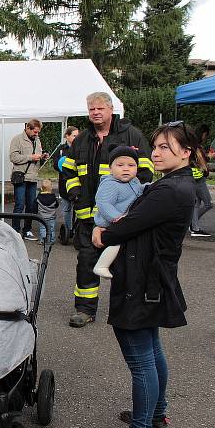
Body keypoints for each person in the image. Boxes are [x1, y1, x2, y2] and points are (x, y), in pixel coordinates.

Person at [91, 122, 197, 428]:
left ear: (186, 152)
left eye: (166, 146)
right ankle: (155, 415)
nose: (156, 151)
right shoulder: (174, 184)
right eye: (156, 145)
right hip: (151, 278)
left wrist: (102, 236)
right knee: (151, 350)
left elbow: (130, 224)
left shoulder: (169, 190)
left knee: (141, 360)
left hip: (142, 282)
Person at [61, 92, 153, 328]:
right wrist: (76, 196)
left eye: (100, 108)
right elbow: (69, 172)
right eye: (91, 109)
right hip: (88, 217)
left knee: (127, 264)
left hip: (123, 219)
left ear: (111, 109)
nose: (95, 112)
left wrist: (127, 205)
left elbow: (145, 171)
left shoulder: (131, 135)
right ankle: (85, 309)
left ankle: (129, 310)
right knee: (86, 263)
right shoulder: (81, 140)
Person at [91, 146, 145, 278]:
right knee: (117, 242)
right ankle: (102, 265)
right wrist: (116, 217)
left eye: (131, 165)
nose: (126, 168)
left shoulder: (134, 181)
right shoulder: (110, 184)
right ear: (111, 168)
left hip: (121, 220)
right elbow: (103, 203)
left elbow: (139, 191)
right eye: (120, 165)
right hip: (109, 221)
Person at [9, 119, 48, 240]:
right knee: (19, 205)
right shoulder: (17, 139)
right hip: (21, 176)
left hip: (33, 177)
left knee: (31, 205)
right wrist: (31, 157)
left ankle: (27, 230)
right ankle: (15, 231)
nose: (37, 134)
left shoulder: (37, 140)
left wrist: (42, 157)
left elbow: (36, 158)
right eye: (35, 132)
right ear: (28, 128)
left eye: (38, 132)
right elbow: (13, 157)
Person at [55, 126, 81, 235]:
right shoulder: (61, 149)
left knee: (78, 208)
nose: (76, 138)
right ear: (67, 136)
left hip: (78, 183)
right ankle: (68, 230)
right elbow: (56, 164)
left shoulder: (81, 148)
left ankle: (77, 229)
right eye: (74, 135)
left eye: (77, 135)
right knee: (66, 208)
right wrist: (64, 167)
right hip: (64, 183)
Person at [189, 124, 213, 237]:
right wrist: (209, 157)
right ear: (203, 133)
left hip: (193, 177)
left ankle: (194, 226)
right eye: (206, 135)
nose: (205, 137)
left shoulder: (191, 144)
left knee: (196, 203)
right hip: (198, 178)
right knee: (208, 203)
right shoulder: (197, 147)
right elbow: (201, 161)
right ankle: (193, 225)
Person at [35, 179, 59, 245]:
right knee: (51, 228)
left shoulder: (39, 197)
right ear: (51, 188)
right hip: (52, 216)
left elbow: (35, 205)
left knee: (43, 228)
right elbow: (57, 205)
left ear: (41, 189)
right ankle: (52, 240)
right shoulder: (53, 197)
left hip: (42, 217)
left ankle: (43, 239)